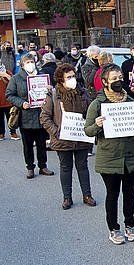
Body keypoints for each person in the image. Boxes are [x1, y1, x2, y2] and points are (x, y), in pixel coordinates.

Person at [85, 64, 134, 244]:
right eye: (114, 78)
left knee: (130, 194)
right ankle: (113, 228)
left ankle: (130, 225)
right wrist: (97, 124)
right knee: (112, 194)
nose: (118, 81)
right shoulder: (97, 104)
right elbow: (88, 131)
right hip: (109, 157)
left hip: (131, 157)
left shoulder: (130, 102)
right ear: (104, 82)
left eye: (120, 77)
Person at [41, 64, 96, 209]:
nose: (73, 79)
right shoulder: (53, 95)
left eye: (73, 76)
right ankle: (67, 197)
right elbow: (45, 117)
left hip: (81, 137)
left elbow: (91, 111)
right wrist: (56, 132)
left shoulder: (83, 93)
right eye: (69, 77)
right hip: (62, 139)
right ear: (61, 80)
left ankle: (87, 195)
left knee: (83, 166)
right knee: (65, 168)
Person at [7, 53, 52, 179]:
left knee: (42, 143)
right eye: (27, 62)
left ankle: (43, 166)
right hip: (25, 116)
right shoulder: (16, 78)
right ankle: (30, 167)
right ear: (22, 65)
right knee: (27, 145)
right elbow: (9, 95)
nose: (30, 65)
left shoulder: (42, 77)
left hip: (41, 115)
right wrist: (22, 103)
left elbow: (50, 94)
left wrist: (50, 89)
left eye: (31, 62)